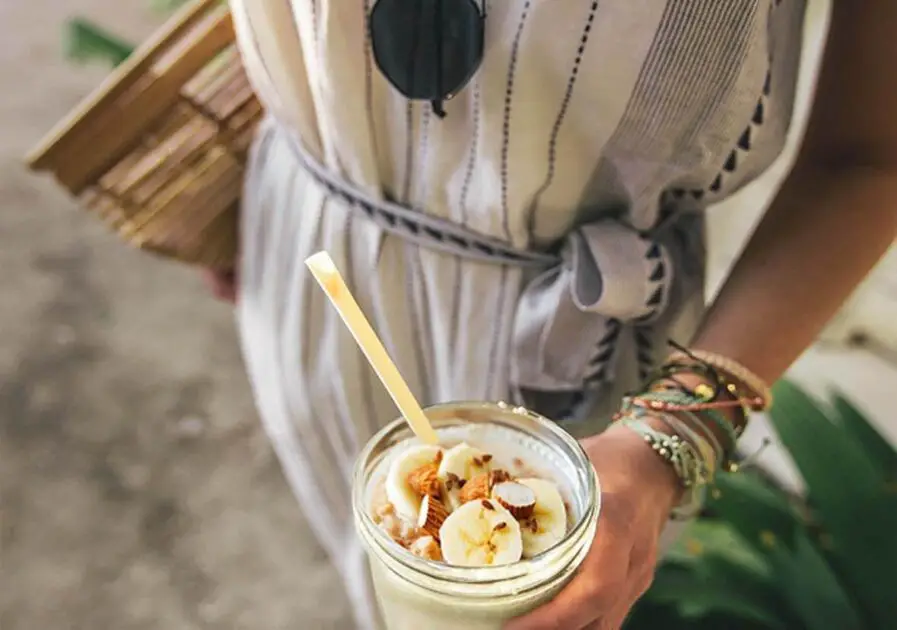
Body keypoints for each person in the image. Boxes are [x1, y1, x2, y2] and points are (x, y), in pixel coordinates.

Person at [202, 1, 897, 628]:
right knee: (367, 564)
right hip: (313, 254)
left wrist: (673, 437)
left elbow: (867, 157)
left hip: (590, 353)